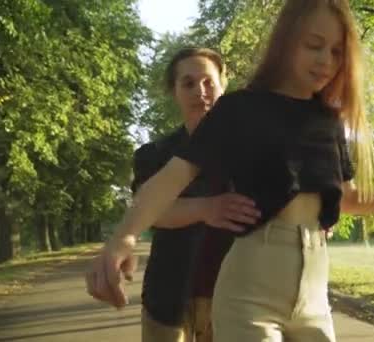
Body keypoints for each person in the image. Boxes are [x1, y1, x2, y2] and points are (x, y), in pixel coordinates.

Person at [86, 1, 374, 341]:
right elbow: (170, 179)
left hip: (315, 292)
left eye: (336, 51)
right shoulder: (238, 109)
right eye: (313, 45)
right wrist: (124, 238)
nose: (326, 61)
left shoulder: (328, 122)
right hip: (250, 290)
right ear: (286, 41)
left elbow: (348, 199)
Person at [89, 47, 257, 342]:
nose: (199, 91)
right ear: (175, 91)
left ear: (223, 84)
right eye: (188, 83)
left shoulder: (251, 152)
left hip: (234, 295)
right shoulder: (152, 154)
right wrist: (206, 208)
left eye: (208, 82)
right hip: (166, 297)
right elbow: (150, 211)